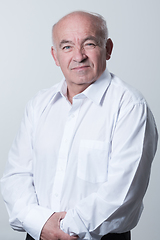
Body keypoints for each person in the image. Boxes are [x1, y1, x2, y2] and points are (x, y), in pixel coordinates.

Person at [0, 10, 158, 240]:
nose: (79, 56)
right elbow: (16, 175)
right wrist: (41, 223)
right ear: (55, 56)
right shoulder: (38, 105)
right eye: (67, 47)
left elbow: (122, 194)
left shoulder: (130, 106)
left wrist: (61, 229)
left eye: (90, 44)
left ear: (108, 48)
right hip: (39, 234)